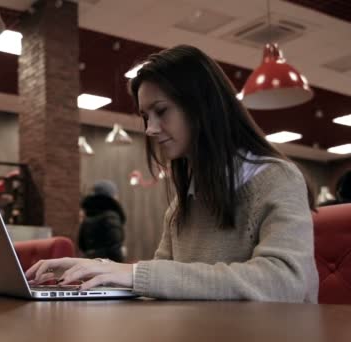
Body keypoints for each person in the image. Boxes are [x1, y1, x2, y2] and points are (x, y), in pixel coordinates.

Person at [26, 45, 319, 303]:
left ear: (202, 106)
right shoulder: (183, 202)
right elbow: (161, 280)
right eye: (145, 116)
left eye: (161, 110)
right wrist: (90, 271)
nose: (150, 129)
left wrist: (135, 273)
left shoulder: (277, 178)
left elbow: (286, 282)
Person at [78, 180, 126, 262]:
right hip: (108, 267)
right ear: (111, 195)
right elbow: (114, 249)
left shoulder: (88, 216)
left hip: (90, 263)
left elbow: (81, 244)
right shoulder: (111, 216)